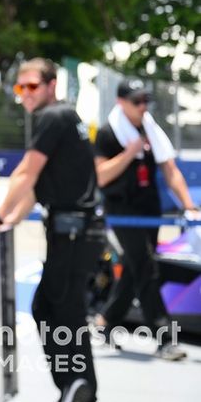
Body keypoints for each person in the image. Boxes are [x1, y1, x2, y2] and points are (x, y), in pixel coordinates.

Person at [0, 58, 102, 402]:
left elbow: (26, 172)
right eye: (20, 87)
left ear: (52, 85)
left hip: (73, 231)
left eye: (32, 86)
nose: (25, 93)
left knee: (62, 310)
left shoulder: (53, 117)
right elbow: (39, 185)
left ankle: (78, 385)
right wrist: (12, 218)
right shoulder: (65, 116)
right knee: (51, 307)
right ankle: (75, 385)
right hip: (72, 229)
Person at [91, 78, 197, 361]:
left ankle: (105, 321)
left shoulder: (151, 129)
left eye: (145, 101)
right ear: (121, 102)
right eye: (136, 101)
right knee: (146, 266)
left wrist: (189, 205)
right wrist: (130, 152)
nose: (143, 107)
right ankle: (164, 338)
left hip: (148, 209)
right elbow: (101, 176)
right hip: (122, 211)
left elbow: (170, 169)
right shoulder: (108, 133)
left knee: (134, 267)